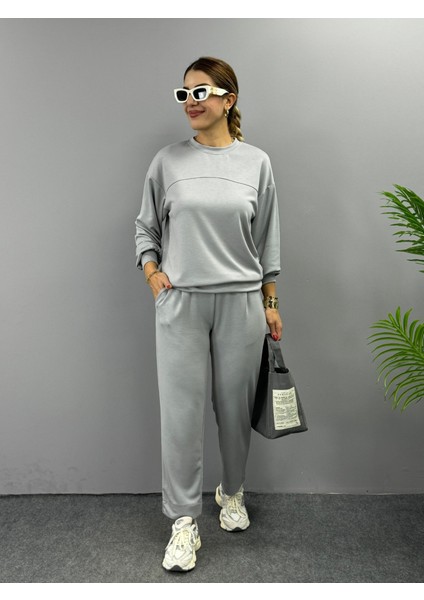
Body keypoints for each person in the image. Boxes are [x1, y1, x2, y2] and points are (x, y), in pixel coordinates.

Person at [135, 56, 282, 572]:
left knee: (234, 410)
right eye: (184, 94)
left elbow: (267, 239)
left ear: (228, 99)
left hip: (242, 301)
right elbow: (145, 227)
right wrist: (152, 273)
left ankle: (232, 491)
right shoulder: (167, 162)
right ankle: (183, 521)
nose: (190, 102)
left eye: (200, 92)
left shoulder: (257, 163)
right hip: (182, 304)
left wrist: (270, 304)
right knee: (180, 414)